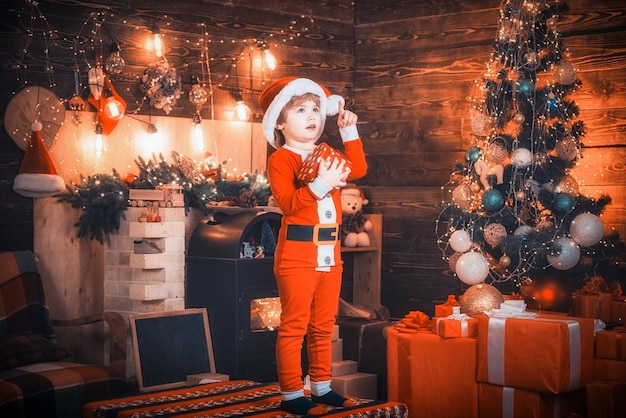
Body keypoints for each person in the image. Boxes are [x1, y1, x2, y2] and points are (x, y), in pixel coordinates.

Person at [259, 77, 368, 416]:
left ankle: (321, 387)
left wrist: (349, 132)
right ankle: (292, 394)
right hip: (296, 256)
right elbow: (290, 205)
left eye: (317, 109)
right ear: (280, 122)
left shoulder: (327, 154)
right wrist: (323, 183)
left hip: (329, 255)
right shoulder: (282, 160)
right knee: (294, 327)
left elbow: (359, 169)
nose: (312, 116)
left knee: (323, 325)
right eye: (301, 110)